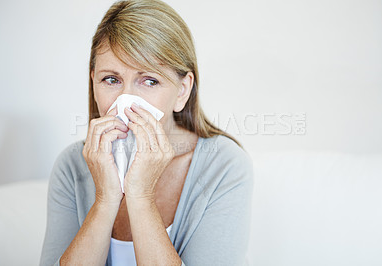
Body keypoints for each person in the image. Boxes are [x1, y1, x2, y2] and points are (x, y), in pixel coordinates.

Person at [39, 0, 254, 265]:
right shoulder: (71, 165)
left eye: (150, 80)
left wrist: (140, 196)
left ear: (182, 91)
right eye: (111, 79)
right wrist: (105, 200)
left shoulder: (224, 166)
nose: (126, 99)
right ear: (93, 82)